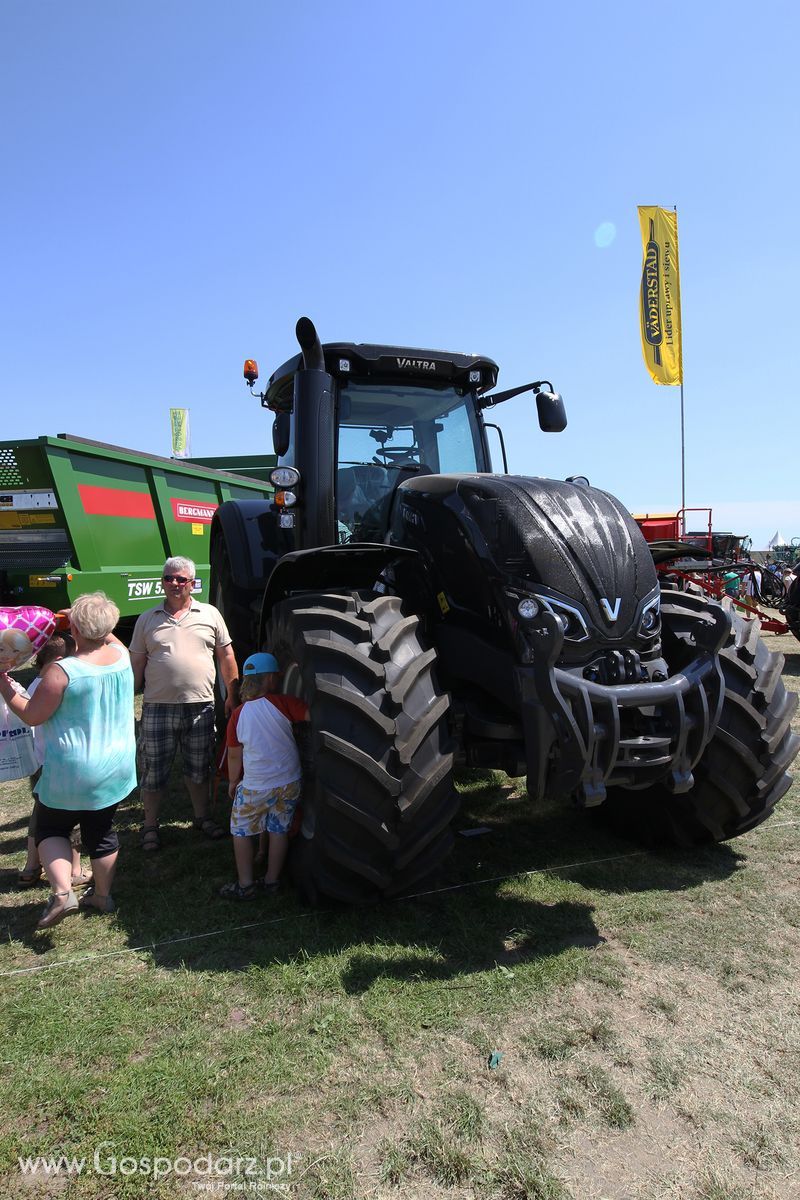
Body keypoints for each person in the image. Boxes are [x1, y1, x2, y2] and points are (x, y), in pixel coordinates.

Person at [0, 592, 136, 928]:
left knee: (50, 828)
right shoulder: (121, 656)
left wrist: (3, 682)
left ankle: (62, 892)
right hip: (116, 766)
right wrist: (85, 620)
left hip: (72, 769)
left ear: (73, 627)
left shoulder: (62, 671)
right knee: (101, 831)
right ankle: (102, 896)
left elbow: (32, 715)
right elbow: (110, 636)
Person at [129, 556, 238, 851]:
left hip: (200, 706)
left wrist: (232, 693)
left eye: (180, 579)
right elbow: (136, 663)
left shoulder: (210, 614)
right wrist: (127, 699)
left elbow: (226, 656)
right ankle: (150, 825)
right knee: (153, 769)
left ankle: (202, 818)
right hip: (157, 706)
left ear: (191, 583)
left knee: (199, 767)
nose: (174, 584)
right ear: (162, 582)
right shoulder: (147, 618)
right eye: (168, 578)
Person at [219, 652, 309, 900]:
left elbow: (235, 756)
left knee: (241, 831)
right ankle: (272, 881)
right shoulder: (284, 703)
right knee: (279, 830)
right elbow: (310, 715)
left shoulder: (238, 715)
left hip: (256, 787)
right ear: (270, 679)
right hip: (289, 782)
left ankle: (246, 884)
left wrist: (234, 782)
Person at [17, 633, 92, 891]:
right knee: (73, 813)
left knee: (40, 811)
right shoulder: (58, 685)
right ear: (60, 660)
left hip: (38, 760)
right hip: (58, 761)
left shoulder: (33, 684)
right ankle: (75, 869)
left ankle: (31, 866)